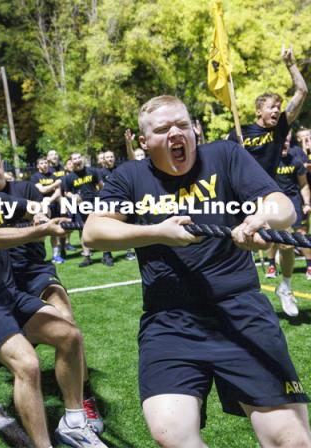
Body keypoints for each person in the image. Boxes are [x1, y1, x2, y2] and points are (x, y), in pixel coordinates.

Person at [83, 95, 311, 448]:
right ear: (144, 143)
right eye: (163, 129)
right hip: (170, 322)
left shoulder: (225, 155)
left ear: (194, 130)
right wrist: (158, 232)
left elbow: (282, 206)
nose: (176, 132)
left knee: (292, 440)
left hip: (241, 312)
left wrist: (259, 219)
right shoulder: (129, 176)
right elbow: (94, 232)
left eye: (182, 125)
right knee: (171, 435)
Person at [0, 147, 107, 448]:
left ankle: (73, 420)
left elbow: (26, 205)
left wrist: (38, 211)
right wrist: (41, 229)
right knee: (27, 365)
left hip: (8, 294)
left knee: (70, 334)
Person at [228, 45, 308, 176]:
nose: (276, 111)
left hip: (268, 188)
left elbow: (302, 91)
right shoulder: (240, 132)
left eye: (278, 108)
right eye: (271, 107)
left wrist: (290, 64)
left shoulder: (279, 128)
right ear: (259, 111)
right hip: (241, 191)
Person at [264, 134, 311, 317]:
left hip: (294, 203)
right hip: (275, 203)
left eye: (287, 140)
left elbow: (304, 185)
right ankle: (276, 271)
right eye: (281, 140)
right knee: (285, 243)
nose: (284, 143)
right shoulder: (265, 161)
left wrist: (306, 203)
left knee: (296, 240)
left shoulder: (296, 161)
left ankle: (286, 284)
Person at [64, 152, 103, 267]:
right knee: (83, 230)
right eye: (74, 159)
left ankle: (107, 254)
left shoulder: (93, 171)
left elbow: (101, 185)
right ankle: (87, 256)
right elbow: (67, 192)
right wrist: (73, 196)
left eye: (78, 158)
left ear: (82, 159)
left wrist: (101, 198)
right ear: (71, 162)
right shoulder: (69, 177)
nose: (77, 160)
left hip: (95, 203)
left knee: (100, 229)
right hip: (80, 206)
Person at [30, 157, 65, 264]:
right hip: (41, 207)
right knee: (41, 232)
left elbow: (58, 192)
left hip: (53, 205)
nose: (44, 165)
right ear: (37, 165)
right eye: (42, 163)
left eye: (46, 163)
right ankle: (39, 257)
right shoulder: (35, 177)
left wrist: (50, 199)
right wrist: (56, 183)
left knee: (54, 231)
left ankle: (56, 255)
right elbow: (42, 190)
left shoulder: (52, 175)